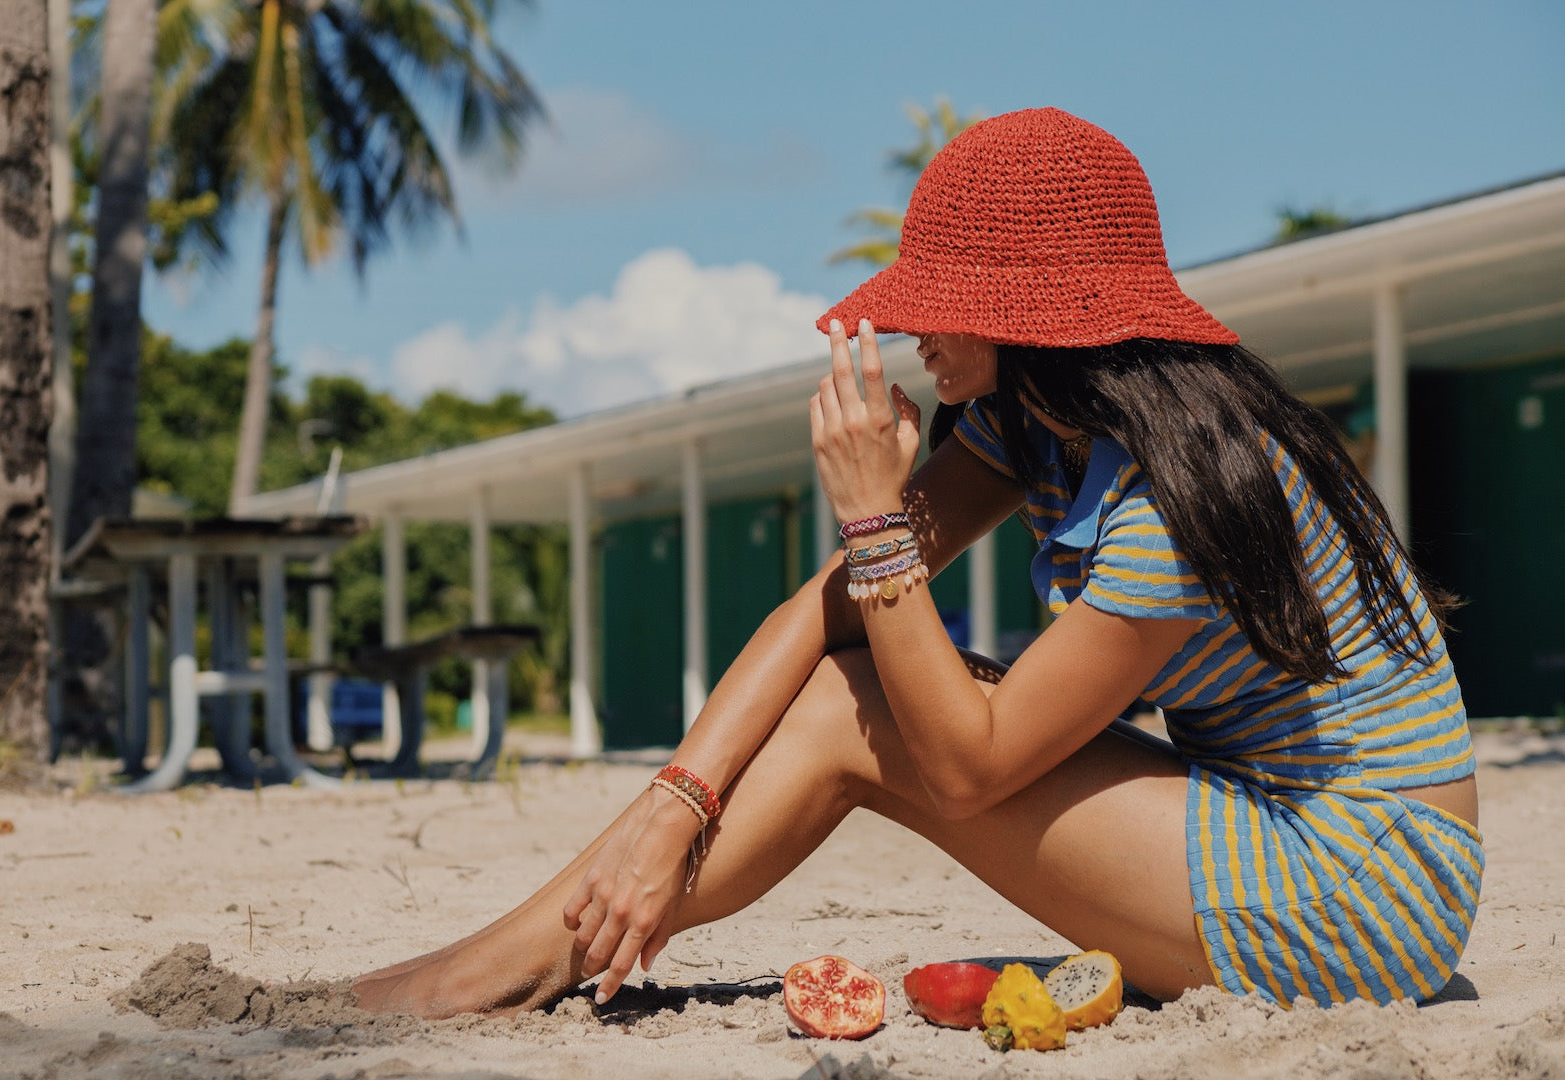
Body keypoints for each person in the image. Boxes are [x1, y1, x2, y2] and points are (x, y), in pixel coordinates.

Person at [352, 107, 1481, 1018]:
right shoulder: (1032, 426)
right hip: (1263, 814)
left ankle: (503, 966)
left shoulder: (1175, 501)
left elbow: (965, 772)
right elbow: (829, 615)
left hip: (1365, 885)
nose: (914, 333)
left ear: (1030, 317)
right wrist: (671, 803)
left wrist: (873, 514)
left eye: (942, 305)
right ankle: (513, 953)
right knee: (853, 679)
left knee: (864, 715)